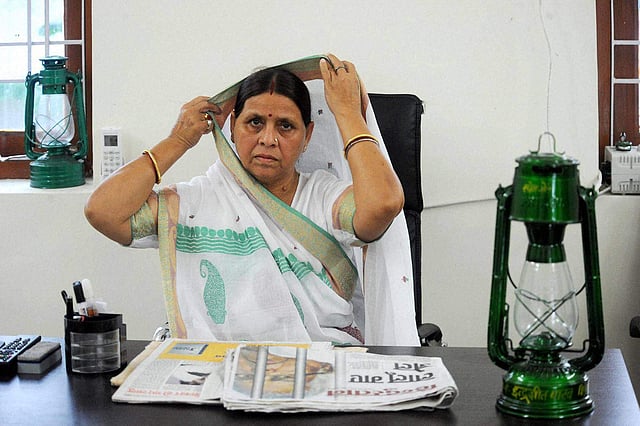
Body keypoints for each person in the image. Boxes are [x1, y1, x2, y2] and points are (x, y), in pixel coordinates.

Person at [85, 54, 418, 345]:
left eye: (285, 126)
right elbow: (103, 212)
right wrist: (178, 140)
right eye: (255, 122)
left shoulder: (323, 197)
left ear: (308, 136)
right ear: (233, 126)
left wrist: (347, 113)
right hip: (220, 371)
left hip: (318, 368)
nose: (268, 139)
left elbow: (383, 205)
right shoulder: (197, 202)